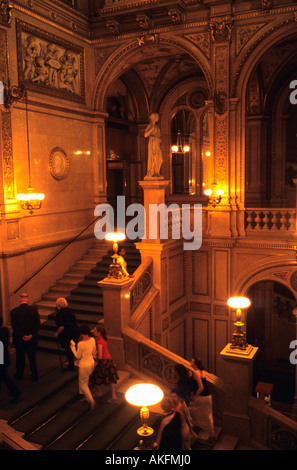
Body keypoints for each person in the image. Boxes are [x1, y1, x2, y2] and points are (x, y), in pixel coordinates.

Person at [10, 293, 40, 381]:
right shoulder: (34, 310)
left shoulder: (14, 311)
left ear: (20, 300)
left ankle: (19, 374)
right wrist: (31, 335)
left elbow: (14, 326)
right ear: (27, 299)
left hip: (19, 339)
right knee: (32, 357)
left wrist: (22, 335)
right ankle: (34, 375)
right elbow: (37, 324)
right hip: (31, 339)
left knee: (20, 357)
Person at [70, 325, 96, 411]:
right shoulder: (92, 340)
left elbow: (78, 356)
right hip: (91, 363)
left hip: (84, 365)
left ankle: (91, 401)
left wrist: (73, 347)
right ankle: (86, 397)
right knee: (86, 380)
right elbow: (94, 352)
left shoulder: (81, 344)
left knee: (83, 383)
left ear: (81, 333)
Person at [90, 325, 119, 403]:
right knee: (111, 379)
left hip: (104, 362)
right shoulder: (103, 339)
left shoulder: (99, 341)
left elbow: (100, 355)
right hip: (109, 361)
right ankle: (114, 396)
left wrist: (94, 357)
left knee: (94, 377)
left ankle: (99, 392)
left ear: (99, 333)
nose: (93, 331)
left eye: (95, 331)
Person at [189, 357, 215, 441]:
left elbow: (201, 387)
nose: (190, 362)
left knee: (193, 412)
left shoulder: (196, 373)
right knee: (207, 414)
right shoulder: (202, 371)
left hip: (202, 397)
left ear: (195, 364)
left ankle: (210, 433)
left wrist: (194, 396)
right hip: (207, 396)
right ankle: (211, 432)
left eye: (192, 361)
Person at [0, 316, 20, 403]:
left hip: (1, 359)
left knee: (5, 378)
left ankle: (16, 393)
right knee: (3, 377)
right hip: (4, 357)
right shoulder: (5, 330)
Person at [54, 297, 78, 371]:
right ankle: (73, 363)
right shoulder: (71, 311)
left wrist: (57, 333)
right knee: (72, 347)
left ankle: (71, 366)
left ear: (58, 306)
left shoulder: (59, 314)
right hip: (73, 332)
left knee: (68, 350)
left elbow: (61, 327)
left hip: (65, 334)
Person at [144, 113, 163, 178]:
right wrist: (152, 129)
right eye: (157, 117)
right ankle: (152, 172)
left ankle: (157, 172)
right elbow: (145, 135)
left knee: (160, 159)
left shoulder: (157, 127)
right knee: (153, 158)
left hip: (157, 143)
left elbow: (159, 136)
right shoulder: (150, 125)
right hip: (153, 143)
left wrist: (160, 143)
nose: (158, 118)